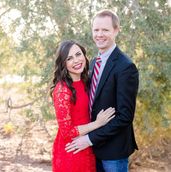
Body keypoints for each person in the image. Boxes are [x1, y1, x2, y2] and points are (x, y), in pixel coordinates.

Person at [65, 9, 139, 172]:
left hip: (113, 151)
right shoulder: (92, 62)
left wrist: (89, 139)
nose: (99, 34)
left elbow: (125, 116)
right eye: (96, 30)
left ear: (116, 30)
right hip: (91, 149)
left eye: (105, 30)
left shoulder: (126, 67)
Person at [50, 40, 115, 172]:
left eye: (78, 54)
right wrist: (98, 123)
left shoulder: (86, 81)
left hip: (88, 146)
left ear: (84, 56)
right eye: (69, 58)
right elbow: (66, 132)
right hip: (72, 150)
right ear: (63, 64)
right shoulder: (62, 90)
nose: (76, 60)